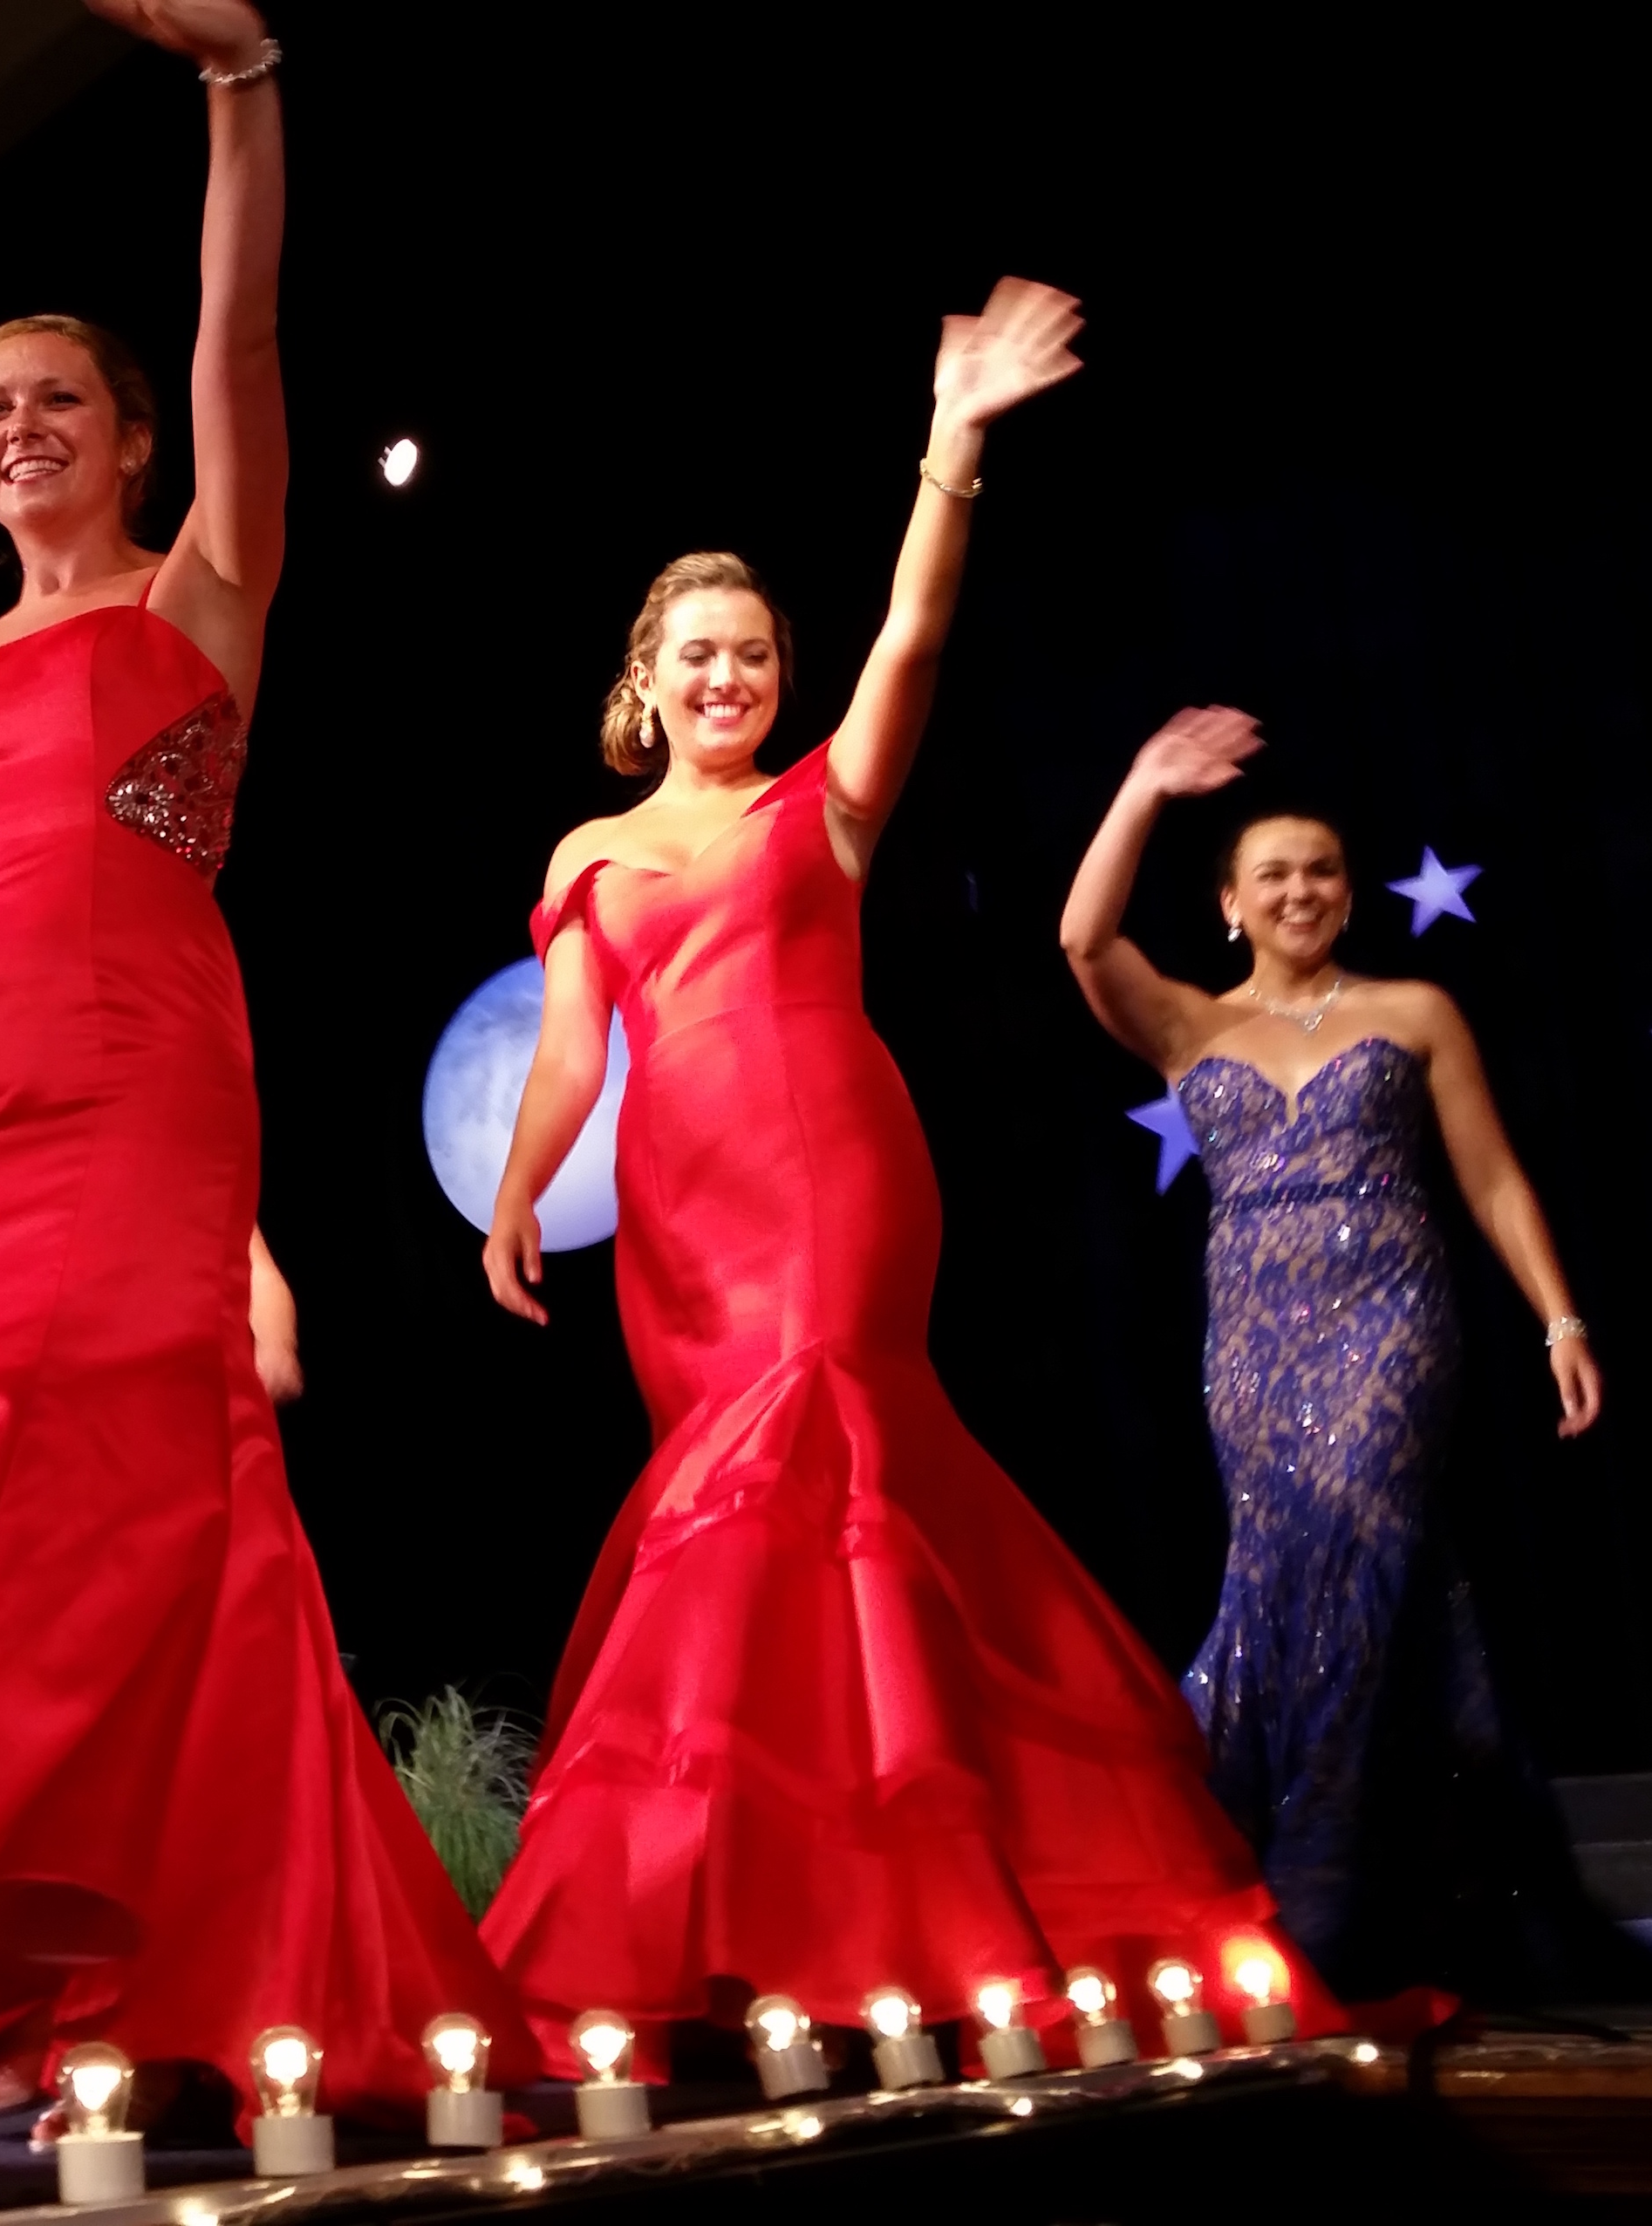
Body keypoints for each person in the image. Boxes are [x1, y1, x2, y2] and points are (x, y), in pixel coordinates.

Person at [0, 0, 526, 2120]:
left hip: (144, 1085)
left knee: (114, 1484)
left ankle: (127, 1976)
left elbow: (248, 350)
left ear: (127, 439)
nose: (21, 427)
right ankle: (4, 1958)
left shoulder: (203, 596)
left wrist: (237, 89)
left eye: (61, 400)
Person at [478, 283, 1340, 2072]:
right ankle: (803, 1928)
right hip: (676, 1218)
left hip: (832, 1174)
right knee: (737, 1516)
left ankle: (929, 1913)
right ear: (645, 677)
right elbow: (571, 1051)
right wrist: (516, 1193)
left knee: (824, 1435)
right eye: (698, 654)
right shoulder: (587, 853)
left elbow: (914, 643)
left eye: (754, 655)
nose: (731, 676)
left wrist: (951, 445)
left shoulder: (829, 805)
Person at [1059, 706, 1611, 1996]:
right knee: (1287, 1571)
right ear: (1231, 905)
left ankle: (1330, 1889)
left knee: (1369, 1541)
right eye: (1274, 876)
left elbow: (1491, 1178)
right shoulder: (1192, 1025)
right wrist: (1143, 783)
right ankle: (1380, 1869)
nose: (1301, 890)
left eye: (1321, 871)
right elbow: (1083, 936)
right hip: (1252, 1341)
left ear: (1349, 891)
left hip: (1392, 1331)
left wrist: (1560, 1317)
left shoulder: (1414, 1009)